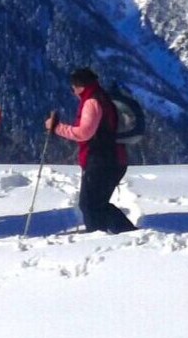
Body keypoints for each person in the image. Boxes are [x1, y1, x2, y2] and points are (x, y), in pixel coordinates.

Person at [45, 67, 136, 234]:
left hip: (101, 159)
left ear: (80, 86)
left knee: (90, 204)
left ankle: (103, 235)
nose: (72, 90)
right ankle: (117, 232)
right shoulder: (101, 97)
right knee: (95, 203)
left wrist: (57, 128)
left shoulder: (92, 102)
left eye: (73, 86)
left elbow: (84, 133)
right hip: (112, 158)